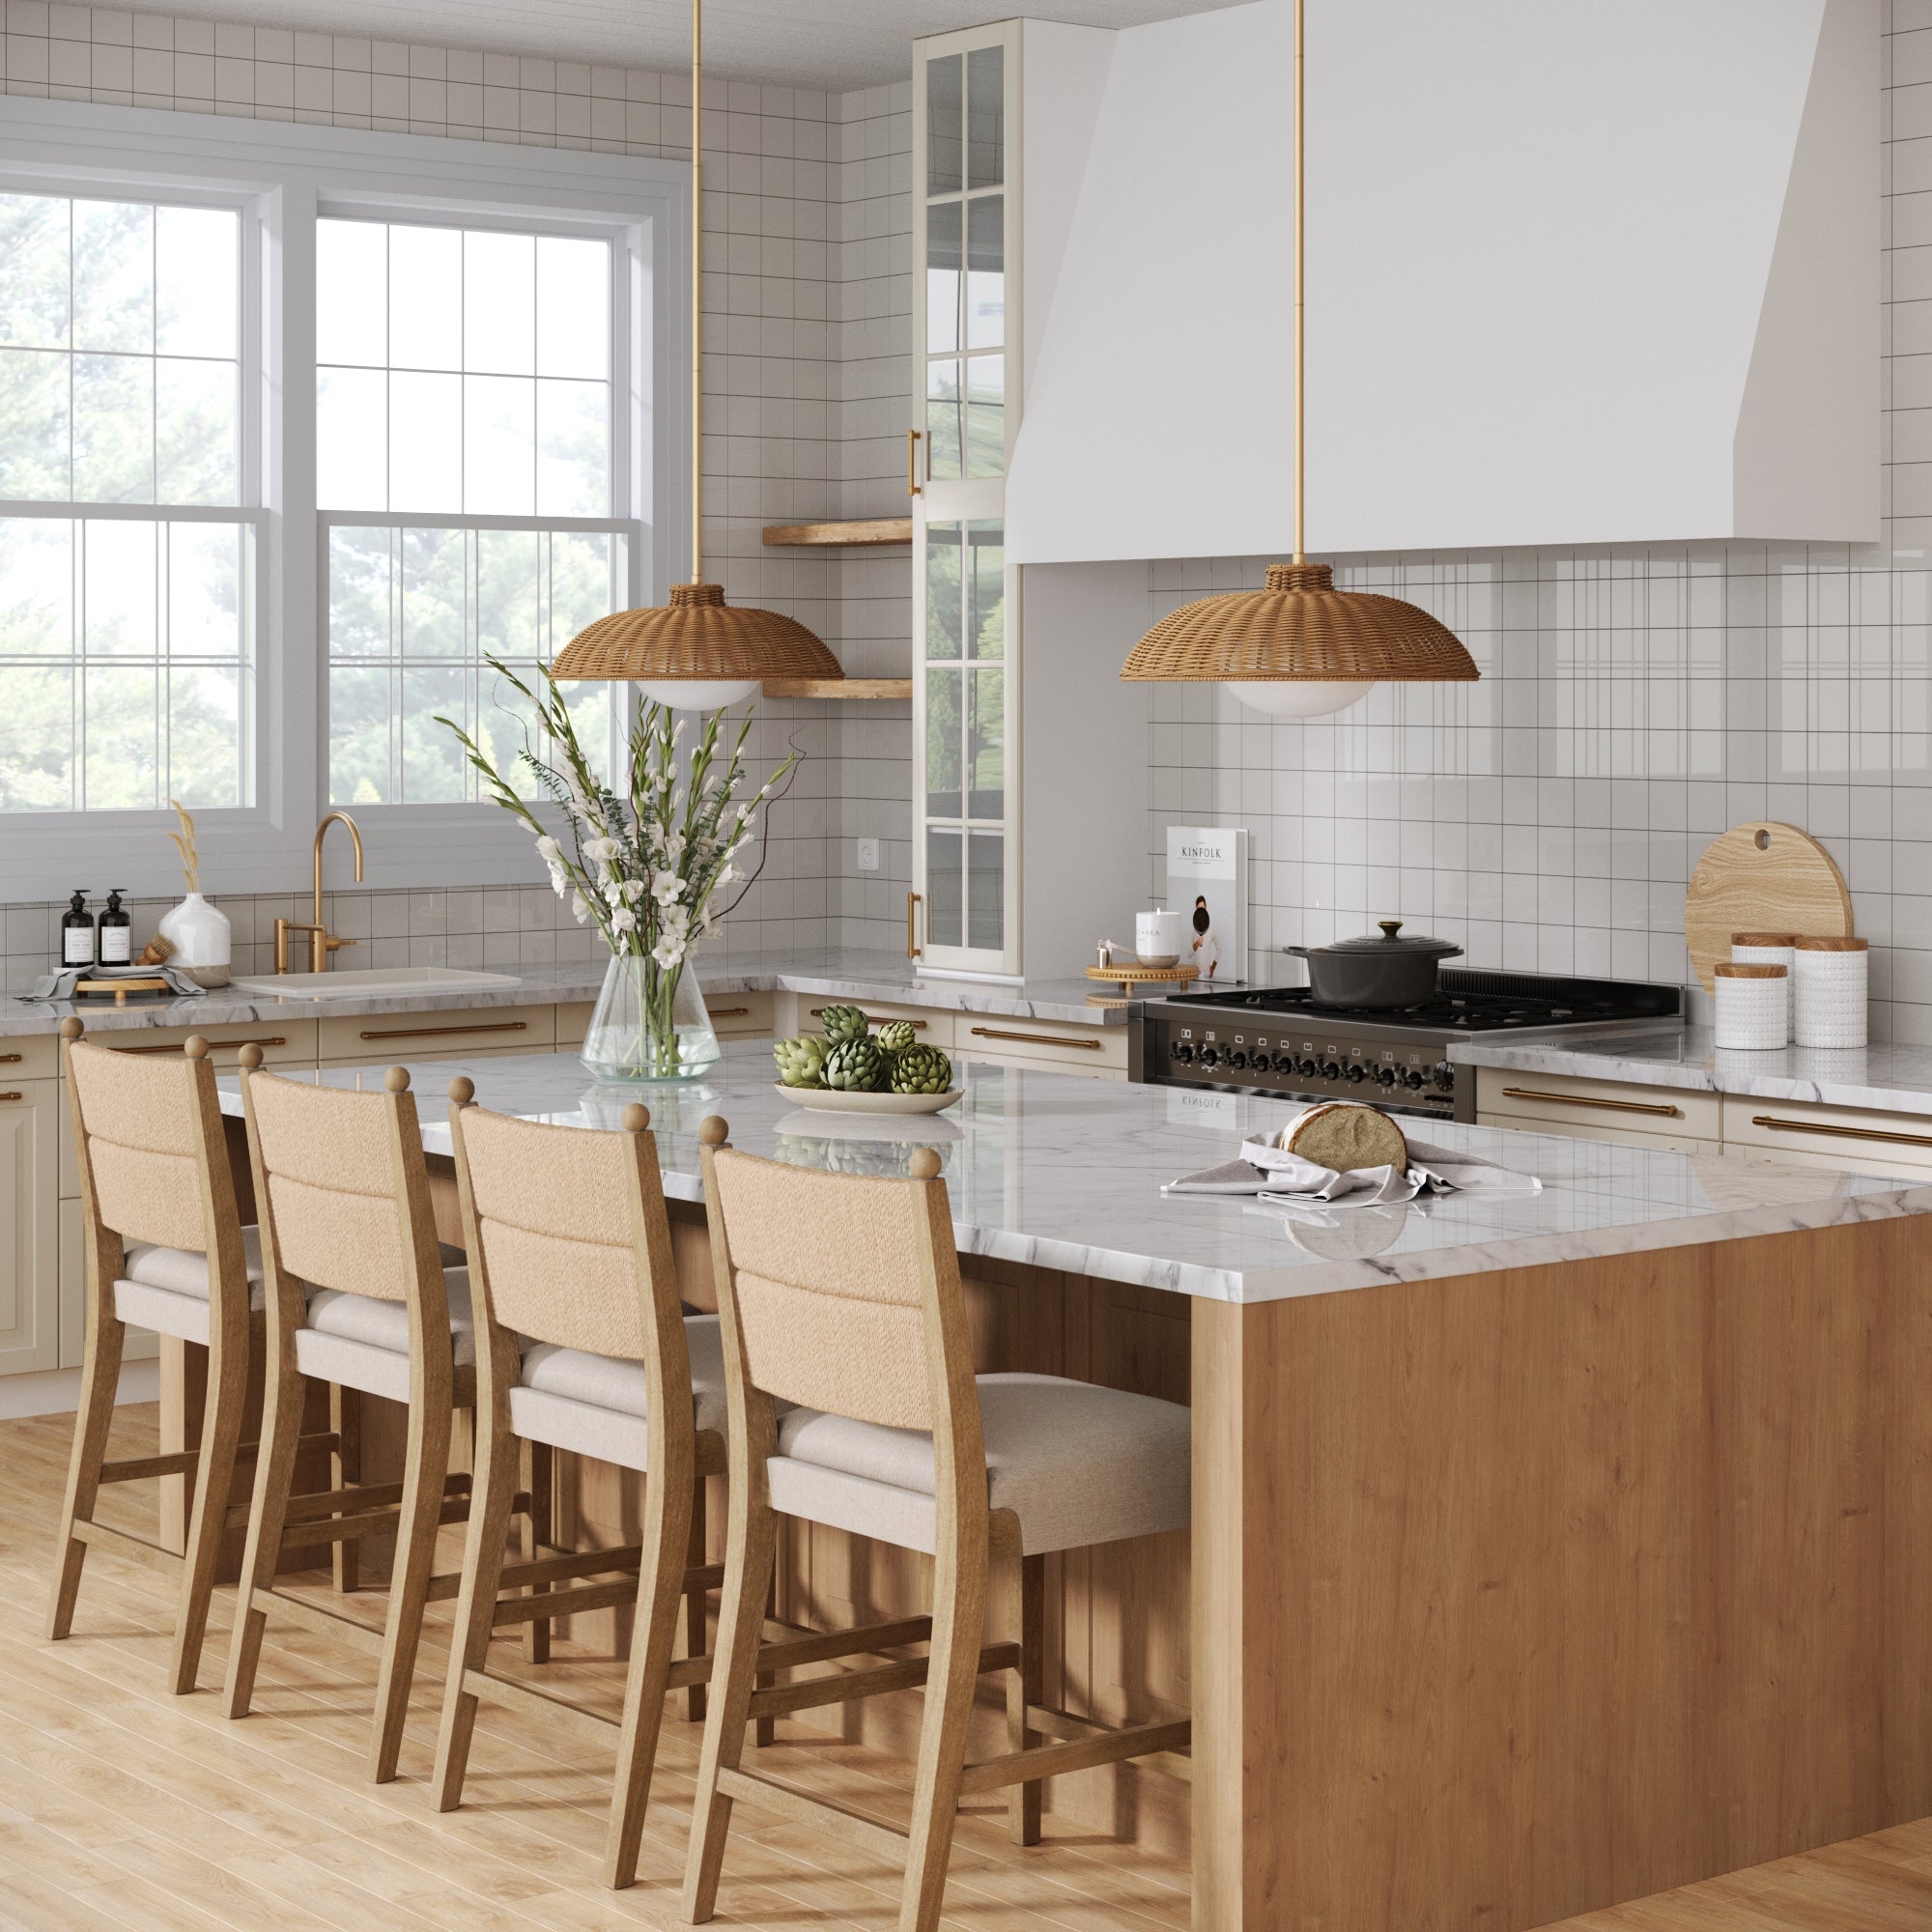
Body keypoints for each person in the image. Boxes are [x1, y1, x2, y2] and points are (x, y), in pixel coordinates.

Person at [1188, 894, 1220, 980]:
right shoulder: (1192, 931)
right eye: (1199, 908)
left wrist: (1213, 967)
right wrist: (1197, 944)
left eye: (1203, 908)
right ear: (1196, 910)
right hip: (1194, 975)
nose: (1201, 911)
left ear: (1206, 909)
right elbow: (1189, 954)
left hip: (1206, 975)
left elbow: (1219, 948)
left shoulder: (1211, 930)